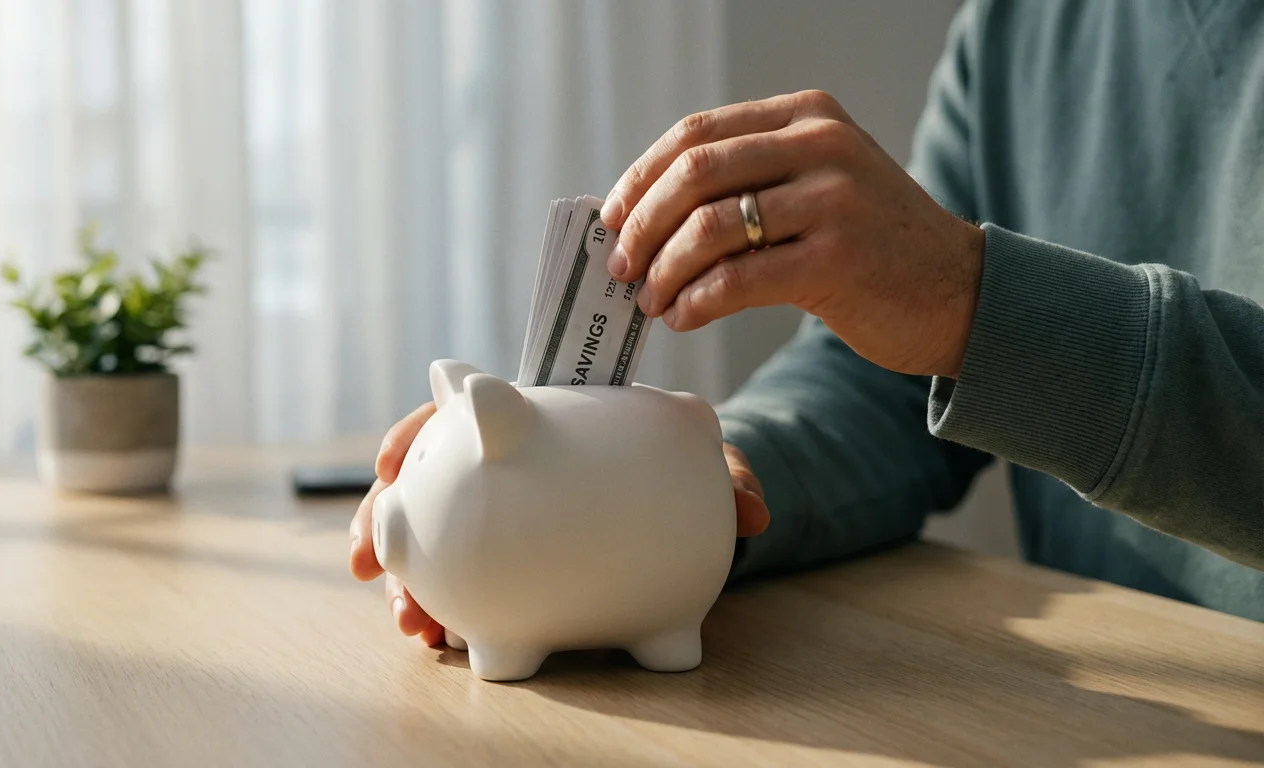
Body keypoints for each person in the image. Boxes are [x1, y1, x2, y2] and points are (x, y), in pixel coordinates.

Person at [351, 0, 1264, 640]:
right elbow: (888, 377)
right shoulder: (1019, 24)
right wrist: (702, 488)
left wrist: (974, 302)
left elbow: (958, 315)